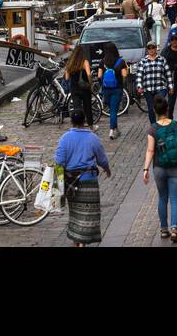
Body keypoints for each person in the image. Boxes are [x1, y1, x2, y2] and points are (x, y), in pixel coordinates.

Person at [53, 110, 111, 247]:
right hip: (89, 181)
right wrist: (107, 169)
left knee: (75, 213)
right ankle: (83, 241)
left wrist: (57, 185)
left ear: (72, 121)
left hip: (71, 182)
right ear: (84, 121)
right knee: (89, 213)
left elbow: (59, 162)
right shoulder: (92, 138)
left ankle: (77, 241)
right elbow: (101, 157)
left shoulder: (65, 138)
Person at [143, 94, 177, 243]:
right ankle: (174, 229)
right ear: (167, 109)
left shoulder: (153, 129)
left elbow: (150, 150)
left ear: (155, 111)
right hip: (176, 166)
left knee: (162, 198)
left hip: (159, 167)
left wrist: (145, 169)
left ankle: (164, 229)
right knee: (175, 198)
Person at [133, 41, 172, 126]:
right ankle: (154, 126)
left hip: (161, 87)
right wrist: (139, 86)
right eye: (149, 48)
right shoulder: (143, 61)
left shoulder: (162, 59)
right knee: (151, 108)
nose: (151, 50)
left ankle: (164, 123)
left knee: (161, 106)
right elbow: (139, 75)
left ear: (156, 49)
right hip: (148, 89)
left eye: (153, 47)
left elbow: (168, 73)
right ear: (147, 50)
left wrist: (170, 86)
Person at [99, 43, 129, 139]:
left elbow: (99, 76)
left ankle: (116, 129)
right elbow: (124, 75)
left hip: (106, 89)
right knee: (113, 110)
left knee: (111, 108)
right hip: (117, 88)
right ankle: (111, 131)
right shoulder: (121, 61)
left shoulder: (102, 61)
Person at [64, 45, 93, 127]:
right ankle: (91, 125)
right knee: (87, 107)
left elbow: (66, 77)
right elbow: (88, 74)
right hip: (84, 88)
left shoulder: (70, 62)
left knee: (77, 108)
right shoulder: (85, 62)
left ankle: (77, 125)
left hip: (74, 88)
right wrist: (90, 83)